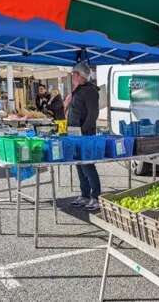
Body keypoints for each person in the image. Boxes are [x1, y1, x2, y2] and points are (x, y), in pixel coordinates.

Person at [67, 62, 101, 211]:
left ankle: (96, 197)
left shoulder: (90, 91)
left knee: (88, 165)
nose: (72, 76)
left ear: (80, 75)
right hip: (75, 133)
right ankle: (85, 195)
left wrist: (83, 131)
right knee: (79, 165)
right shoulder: (79, 90)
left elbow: (93, 114)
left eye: (74, 73)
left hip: (85, 135)